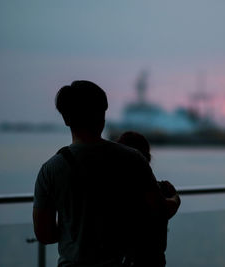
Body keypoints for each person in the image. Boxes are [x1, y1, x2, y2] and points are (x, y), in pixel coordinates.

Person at [32, 80, 181, 267]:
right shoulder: (132, 159)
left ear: (66, 119)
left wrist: (74, 228)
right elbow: (158, 211)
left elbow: (44, 234)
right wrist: (175, 199)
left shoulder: (50, 170)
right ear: (102, 115)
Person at [117, 131, 179, 266]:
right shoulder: (160, 190)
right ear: (147, 158)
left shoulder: (113, 191)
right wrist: (175, 198)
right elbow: (166, 209)